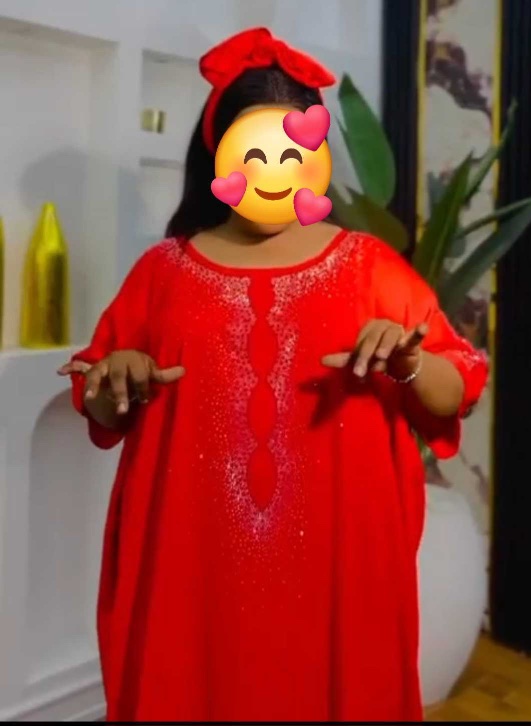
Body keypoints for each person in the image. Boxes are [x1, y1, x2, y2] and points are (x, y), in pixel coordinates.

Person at [59, 27, 488, 723]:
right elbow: (102, 408)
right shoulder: (164, 274)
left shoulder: (369, 268)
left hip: (338, 576)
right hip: (193, 576)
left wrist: (409, 364)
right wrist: (118, 378)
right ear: (217, 156)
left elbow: (456, 391)